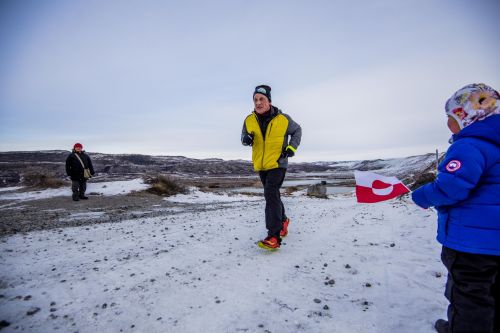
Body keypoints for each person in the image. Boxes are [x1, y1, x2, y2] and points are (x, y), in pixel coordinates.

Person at [411, 83, 500, 333]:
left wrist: (422, 196)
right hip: (494, 242)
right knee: (490, 292)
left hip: (471, 243)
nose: (448, 124)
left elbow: (452, 187)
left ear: (468, 114)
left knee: (469, 296)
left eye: (450, 118)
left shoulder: (470, 145)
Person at [241, 85, 302, 250]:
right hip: (261, 165)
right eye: (255, 100)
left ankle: (273, 236)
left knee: (269, 193)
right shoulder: (249, 120)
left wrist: (291, 147)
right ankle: (283, 221)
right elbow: (243, 136)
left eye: (262, 99)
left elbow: (297, 131)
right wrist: (246, 139)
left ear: (269, 101)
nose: (258, 103)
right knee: (273, 194)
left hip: (278, 163)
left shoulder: (283, 119)